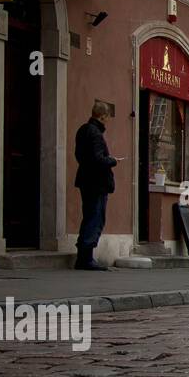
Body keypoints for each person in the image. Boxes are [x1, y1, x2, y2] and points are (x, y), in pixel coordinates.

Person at [74, 100, 119, 271]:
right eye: (108, 117)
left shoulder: (82, 130)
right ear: (103, 116)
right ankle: (86, 258)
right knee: (95, 218)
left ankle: (83, 257)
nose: (108, 120)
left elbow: (80, 155)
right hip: (97, 183)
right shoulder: (95, 133)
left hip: (86, 180)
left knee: (89, 216)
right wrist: (113, 160)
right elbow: (97, 159)